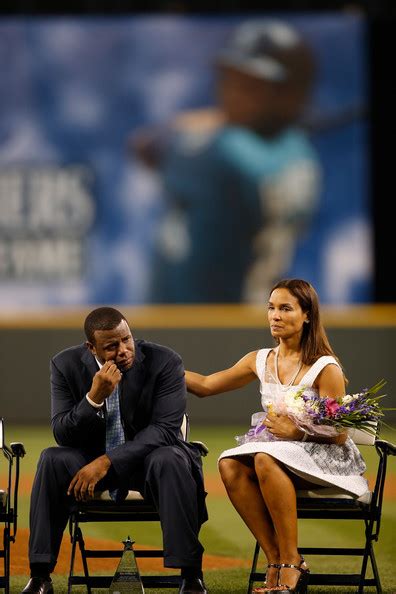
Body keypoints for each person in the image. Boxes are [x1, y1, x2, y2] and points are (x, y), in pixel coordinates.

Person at [185, 279, 368, 593]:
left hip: (325, 461)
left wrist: (297, 432)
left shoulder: (325, 367)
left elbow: (339, 435)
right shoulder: (260, 359)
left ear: (307, 315)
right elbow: (205, 385)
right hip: (279, 458)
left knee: (264, 458)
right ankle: (279, 559)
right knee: (229, 464)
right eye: (271, 307)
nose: (275, 315)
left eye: (285, 308)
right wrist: (159, 367)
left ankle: (289, 565)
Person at [21, 307, 208, 594]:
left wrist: (108, 461)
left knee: (170, 458)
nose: (123, 350)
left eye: (127, 340)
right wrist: (93, 398)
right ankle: (40, 576)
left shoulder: (165, 361)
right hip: (89, 462)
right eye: (111, 346)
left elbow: (165, 430)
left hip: (149, 462)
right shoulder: (64, 364)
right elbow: (62, 433)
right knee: (51, 459)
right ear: (91, 347)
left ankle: (191, 576)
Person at [132, 20, 321, 304]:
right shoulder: (301, 157)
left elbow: (147, 146)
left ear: (292, 96)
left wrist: (194, 127)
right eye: (230, 80)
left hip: (205, 322)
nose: (232, 95)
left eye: (251, 87)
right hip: (239, 321)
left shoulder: (222, 153)